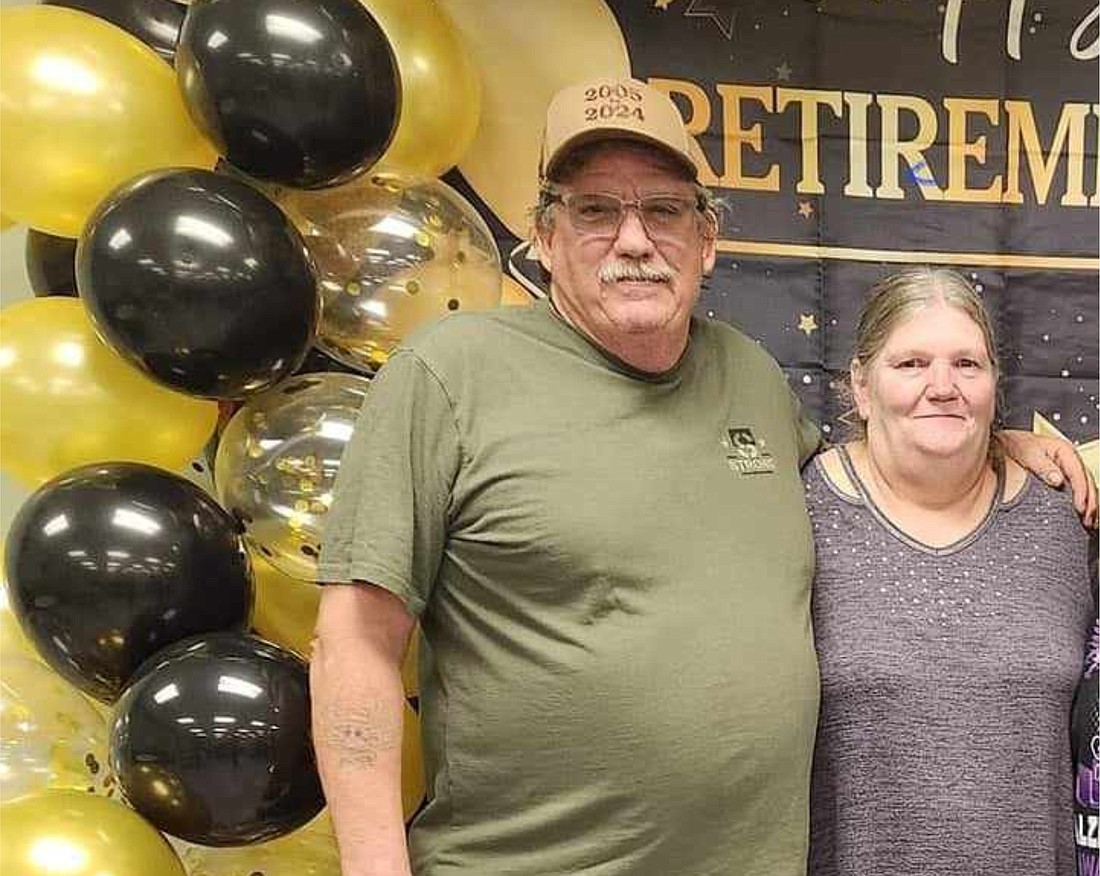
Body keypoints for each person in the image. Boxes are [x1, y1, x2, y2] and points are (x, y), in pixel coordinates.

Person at [311, 77, 1096, 876]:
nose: (633, 240)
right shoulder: (447, 376)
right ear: (543, 237)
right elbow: (355, 646)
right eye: (594, 210)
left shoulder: (748, 376)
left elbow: (894, 460)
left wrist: (993, 443)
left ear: (707, 239)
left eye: (663, 210)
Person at [804, 268, 1097, 876]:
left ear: (994, 385)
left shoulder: (1061, 516)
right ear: (860, 386)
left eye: (967, 364)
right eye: (911, 364)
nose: (943, 387)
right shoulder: (798, 510)